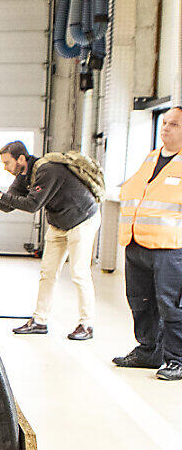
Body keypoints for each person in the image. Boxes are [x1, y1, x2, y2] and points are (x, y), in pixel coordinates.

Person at [0, 141, 101, 340]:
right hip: (59, 222)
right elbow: (9, 205)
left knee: (79, 273)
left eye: (7, 163)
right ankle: (39, 321)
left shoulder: (47, 170)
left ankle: (86, 325)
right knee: (47, 273)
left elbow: (32, 204)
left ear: (21, 159)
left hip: (82, 219)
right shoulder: (22, 176)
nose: (5, 168)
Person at [114, 107, 182, 381]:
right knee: (140, 301)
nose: (165, 128)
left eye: (174, 124)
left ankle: (176, 359)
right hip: (136, 243)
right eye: (164, 122)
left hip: (169, 248)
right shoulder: (151, 157)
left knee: (171, 306)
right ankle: (148, 350)